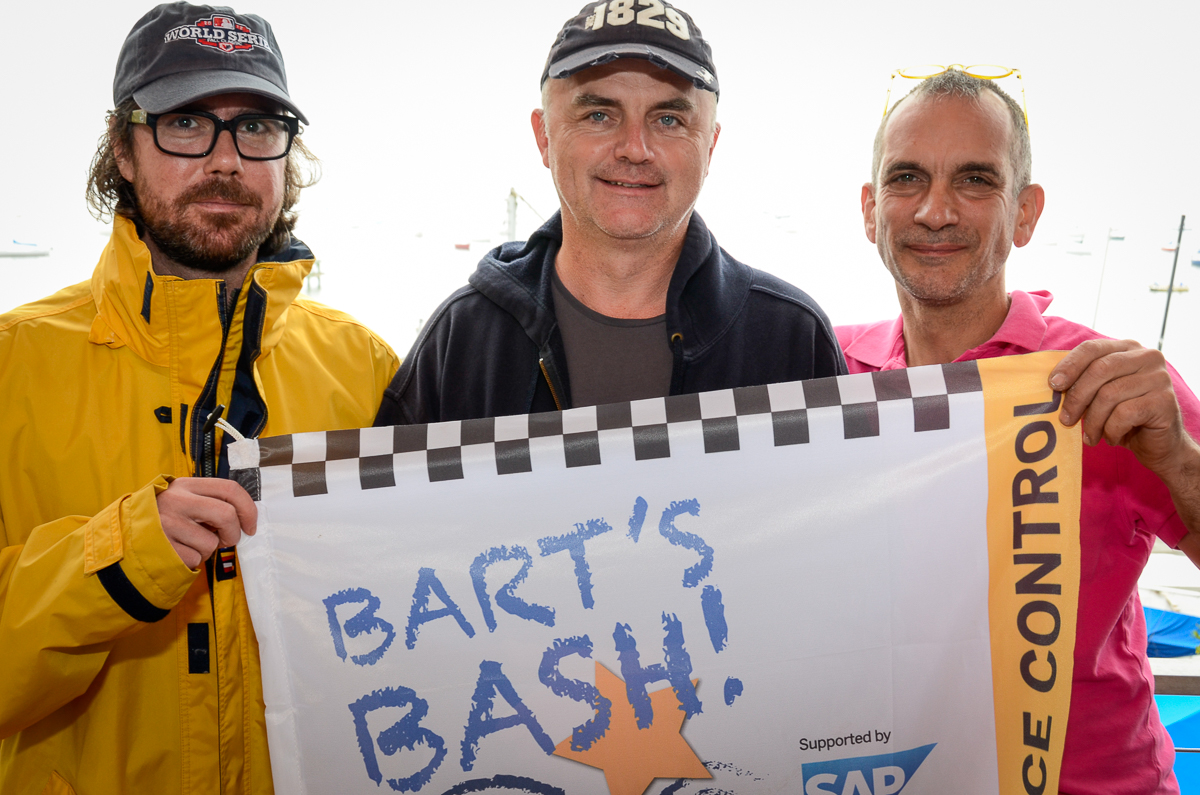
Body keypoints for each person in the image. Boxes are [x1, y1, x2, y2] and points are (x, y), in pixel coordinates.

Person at [0, 3, 398, 793]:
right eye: (186, 123)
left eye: (256, 127)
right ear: (122, 147)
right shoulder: (14, 363)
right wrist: (121, 555)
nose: (225, 159)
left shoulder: (366, 367)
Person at [838, 66, 1200, 793]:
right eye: (907, 178)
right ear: (871, 210)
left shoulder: (1111, 380)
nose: (936, 210)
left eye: (975, 180)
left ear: (1025, 213)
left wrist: (1178, 459)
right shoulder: (822, 368)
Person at [375, 1, 843, 425]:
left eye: (669, 119)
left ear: (710, 146)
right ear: (544, 136)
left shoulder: (793, 342)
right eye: (599, 115)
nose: (635, 149)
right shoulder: (460, 341)